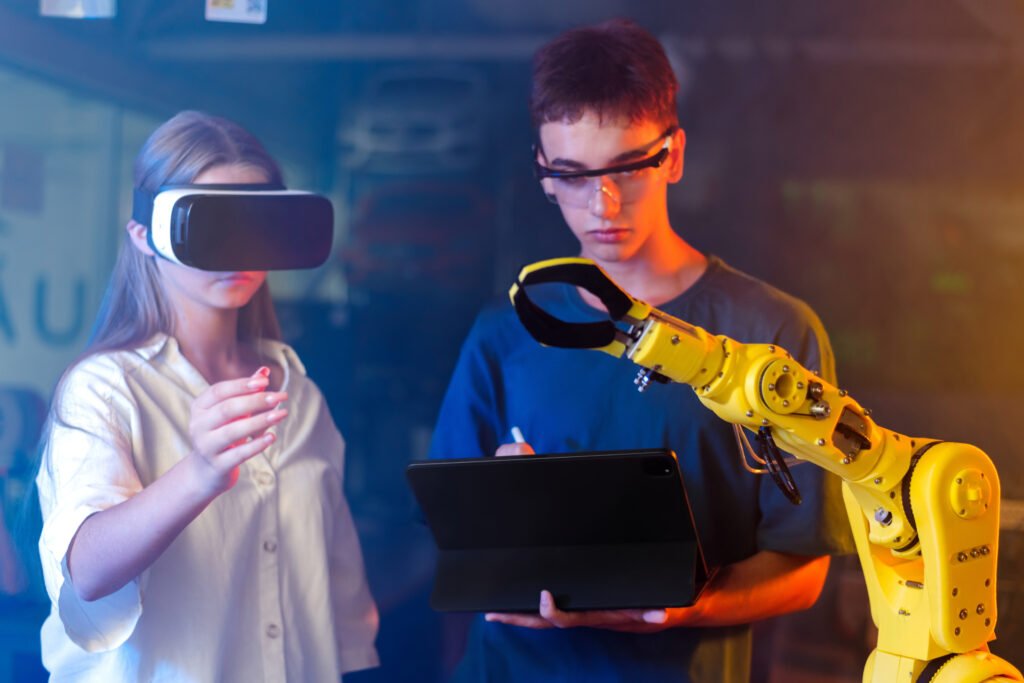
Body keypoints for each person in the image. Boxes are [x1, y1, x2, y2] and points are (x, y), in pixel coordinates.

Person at [427, 18, 853, 683]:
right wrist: (498, 506)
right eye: (571, 175)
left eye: (626, 169)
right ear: (542, 172)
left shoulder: (769, 332)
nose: (601, 204)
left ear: (673, 155)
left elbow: (803, 568)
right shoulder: (506, 331)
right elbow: (451, 538)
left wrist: (689, 607)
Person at [35, 111, 379, 682]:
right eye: (210, 224)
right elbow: (86, 574)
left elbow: (340, 602)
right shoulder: (106, 389)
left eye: (254, 223)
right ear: (144, 236)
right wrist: (199, 473)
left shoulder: (300, 395)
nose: (237, 252)